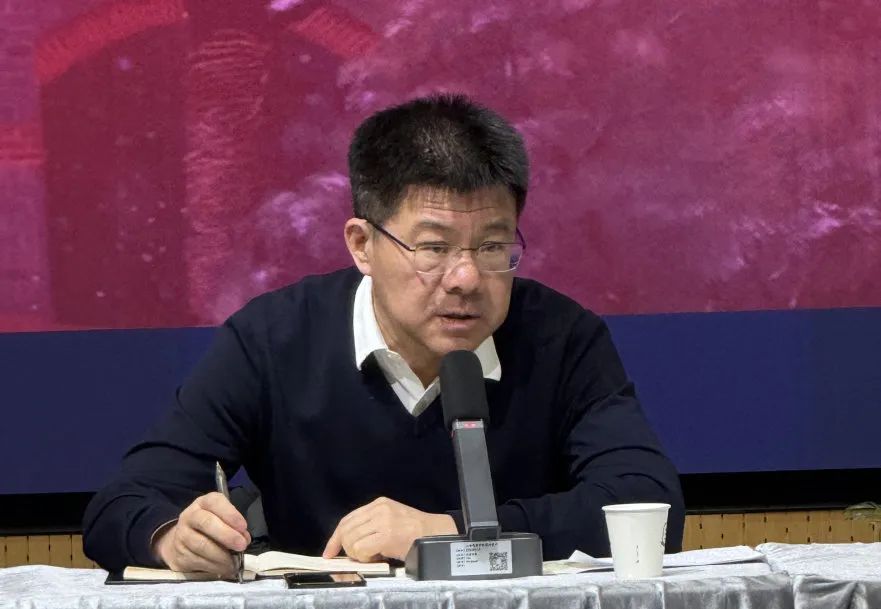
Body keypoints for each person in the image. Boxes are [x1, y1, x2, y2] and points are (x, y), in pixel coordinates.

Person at [83, 94, 685, 576]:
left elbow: (647, 506)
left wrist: (446, 533)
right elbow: (121, 503)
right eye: (433, 248)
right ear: (362, 245)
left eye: (493, 246)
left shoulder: (562, 337)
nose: (466, 278)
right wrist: (172, 538)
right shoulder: (273, 338)